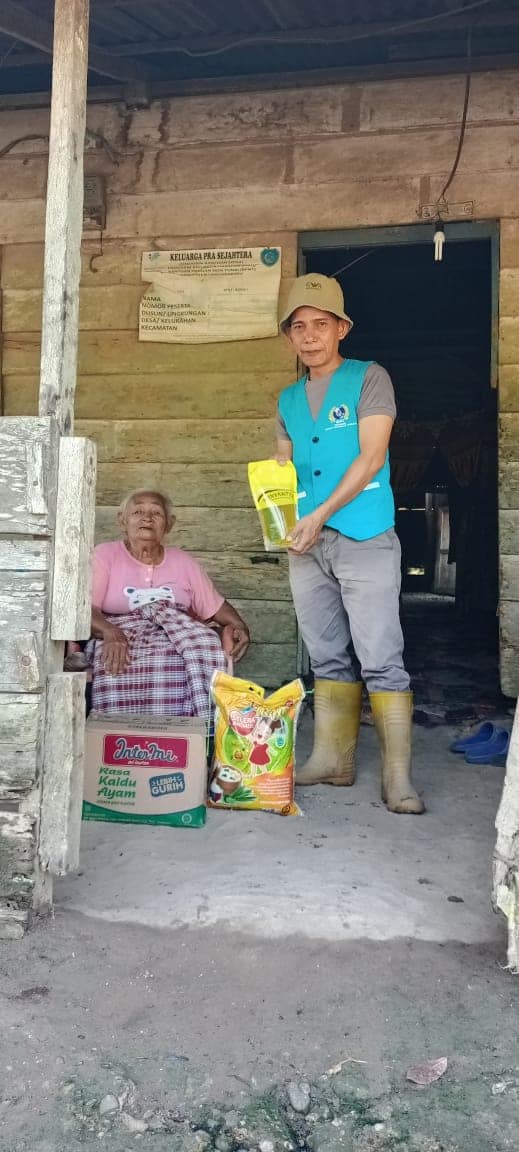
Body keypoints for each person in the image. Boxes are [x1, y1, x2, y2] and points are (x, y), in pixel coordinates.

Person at [276, 273, 424, 814]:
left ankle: (397, 777)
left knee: (381, 655)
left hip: (364, 534)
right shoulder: (288, 399)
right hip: (306, 545)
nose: (310, 335)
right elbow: (282, 468)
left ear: (342, 328)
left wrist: (319, 515)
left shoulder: (369, 378)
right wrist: (279, 515)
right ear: (289, 336)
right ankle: (333, 761)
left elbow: (372, 456)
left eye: (321, 324)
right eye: (299, 327)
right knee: (325, 652)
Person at [87, 489, 250, 718]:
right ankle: (120, 731)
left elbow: (214, 606)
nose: (147, 518)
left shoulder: (183, 561)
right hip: (119, 632)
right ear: (122, 520)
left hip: (175, 632)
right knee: (114, 658)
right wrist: (110, 632)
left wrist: (239, 626)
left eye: (156, 513)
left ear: (169, 524)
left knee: (206, 642)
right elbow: (86, 610)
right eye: (137, 512)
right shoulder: (105, 555)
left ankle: (195, 730)